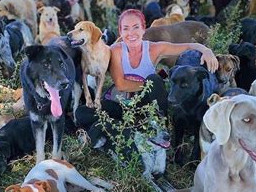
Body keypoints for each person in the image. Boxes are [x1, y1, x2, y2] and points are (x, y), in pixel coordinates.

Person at [75, 8, 218, 132]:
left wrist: (205, 49)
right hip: (122, 102)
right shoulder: (116, 50)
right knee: (81, 113)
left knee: (155, 80)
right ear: (120, 32)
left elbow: (187, 46)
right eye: (126, 28)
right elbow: (121, 85)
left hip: (147, 104)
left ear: (143, 29)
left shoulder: (154, 48)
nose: (131, 33)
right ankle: (127, 126)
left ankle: (160, 124)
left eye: (135, 27)